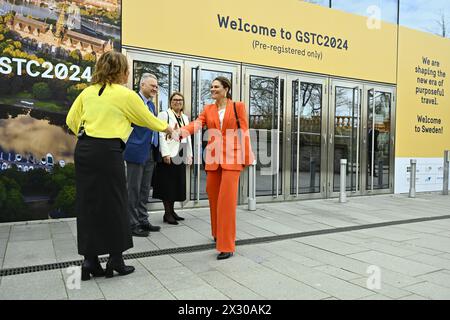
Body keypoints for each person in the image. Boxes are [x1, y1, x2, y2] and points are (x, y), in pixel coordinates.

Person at [66, 51, 173, 280]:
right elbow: (147, 119)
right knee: (116, 202)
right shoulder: (125, 95)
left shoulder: (87, 92)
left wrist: (87, 137)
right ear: (121, 71)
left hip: (85, 150)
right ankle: (116, 259)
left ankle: (89, 261)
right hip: (108, 151)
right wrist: (168, 128)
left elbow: (71, 120)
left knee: (88, 203)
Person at [174, 76, 254, 260]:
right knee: (214, 198)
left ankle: (227, 245)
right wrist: (179, 132)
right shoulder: (208, 109)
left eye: (216, 87)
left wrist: (247, 158)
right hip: (213, 159)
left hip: (232, 159)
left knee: (226, 202)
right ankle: (218, 234)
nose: (212, 90)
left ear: (226, 89)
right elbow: (197, 124)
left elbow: (244, 132)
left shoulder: (237, 106)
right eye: (211, 87)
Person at [124, 73, 162, 237]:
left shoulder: (151, 106)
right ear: (142, 85)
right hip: (135, 151)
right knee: (133, 189)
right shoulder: (134, 102)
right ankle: (131, 224)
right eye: (152, 86)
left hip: (149, 151)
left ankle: (142, 219)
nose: (155, 88)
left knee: (145, 188)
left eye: (156, 86)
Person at [152, 92, 193, 224]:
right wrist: (165, 153)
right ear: (170, 102)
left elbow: (188, 137)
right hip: (169, 154)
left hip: (181, 153)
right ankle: (167, 213)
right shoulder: (164, 114)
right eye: (175, 100)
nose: (177, 102)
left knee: (176, 184)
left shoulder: (185, 118)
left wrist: (189, 154)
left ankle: (172, 211)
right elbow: (161, 134)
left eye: (180, 100)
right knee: (167, 185)